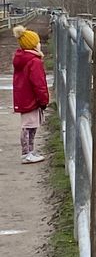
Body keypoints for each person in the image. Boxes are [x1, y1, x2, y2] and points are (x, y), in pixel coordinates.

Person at [12, 25, 49, 164]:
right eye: (37, 42)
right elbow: (39, 84)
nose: (39, 44)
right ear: (33, 45)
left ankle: (30, 151)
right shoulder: (34, 61)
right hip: (31, 100)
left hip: (24, 97)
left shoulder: (22, 59)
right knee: (28, 126)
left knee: (30, 125)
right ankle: (26, 154)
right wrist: (44, 100)